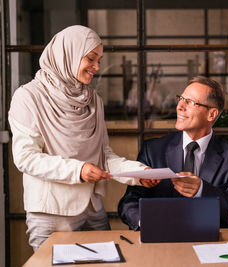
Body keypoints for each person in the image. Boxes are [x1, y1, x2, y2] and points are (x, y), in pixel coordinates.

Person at [8, 25, 150, 251]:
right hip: (51, 214)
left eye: (99, 60)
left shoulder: (93, 100)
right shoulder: (28, 97)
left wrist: (139, 173)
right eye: (91, 59)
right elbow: (26, 158)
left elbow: (103, 154)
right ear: (68, 54)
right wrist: (79, 170)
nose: (96, 67)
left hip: (93, 209)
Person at [118, 76, 228, 229]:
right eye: (181, 98)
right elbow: (129, 202)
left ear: (211, 114)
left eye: (190, 102)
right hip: (161, 242)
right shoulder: (153, 150)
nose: (180, 106)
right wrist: (146, 221)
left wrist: (201, 190)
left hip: (211, 242)